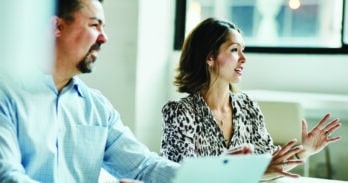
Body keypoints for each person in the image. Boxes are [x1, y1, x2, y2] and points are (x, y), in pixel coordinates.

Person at [0, 0, 180, 182]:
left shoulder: (97, 109)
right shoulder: (6, 95)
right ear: (57, 26)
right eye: (94, 25)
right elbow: (7, 176)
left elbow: (144, 166)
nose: (104, 38)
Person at [160, 17, 342, 180]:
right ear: (210, 57)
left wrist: (306, 150)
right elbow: (183, 178)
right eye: (234, 50)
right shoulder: (179, 112)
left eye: (243, 50)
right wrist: (256, 172)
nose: (243, 58)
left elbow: (272, 165)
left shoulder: (247, 106)